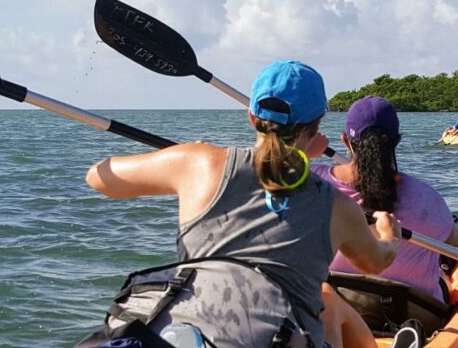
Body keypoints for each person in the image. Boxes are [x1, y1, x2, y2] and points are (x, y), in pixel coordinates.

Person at [85, 61, 401, 348]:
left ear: (252, 117)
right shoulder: (338, 206)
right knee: (328, 304)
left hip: (182, 333)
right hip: (279, 337)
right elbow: (376, 262)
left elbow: (99, 178)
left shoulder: (198, 162)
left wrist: (182, 156)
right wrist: (389, 235)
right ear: (317, 129)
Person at [311, 96, 458, 302]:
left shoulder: (308, 183)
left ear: (346, 140)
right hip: (418, 315)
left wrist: (303, 150)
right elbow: (453, 247)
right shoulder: (428, 198)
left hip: (332, 311)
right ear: (397, 141)